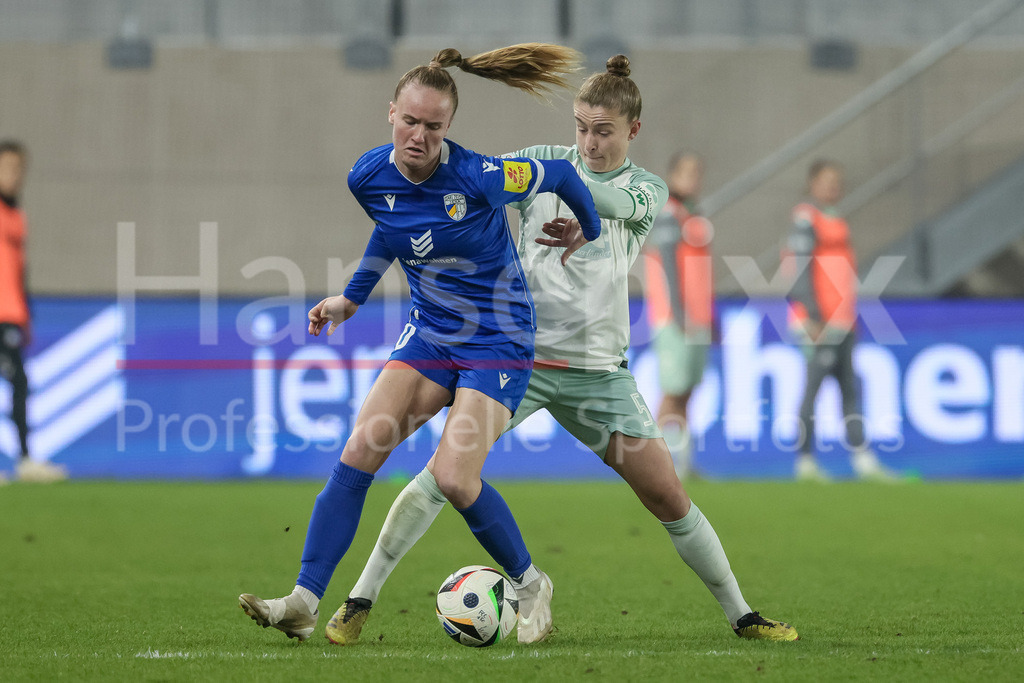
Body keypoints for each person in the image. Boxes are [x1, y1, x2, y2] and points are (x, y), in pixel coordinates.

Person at [324, 56, 798, 646]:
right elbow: (479, 191)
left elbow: (612, 204)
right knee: (441, 478)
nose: (589, 142)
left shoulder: (646, 189)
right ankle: (359, 599)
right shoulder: (545, 165)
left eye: (604, 130)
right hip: (517, 361)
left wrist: (583, 217)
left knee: (668, 496)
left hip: (598, 376)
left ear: (633, 131)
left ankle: (742, 614)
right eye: (581, 127)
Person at [238, 44, 602, 645]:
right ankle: (303, 600)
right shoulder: (366, 175)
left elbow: (561, 174)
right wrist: (351, 299)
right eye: (410, 121)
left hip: (497, 336)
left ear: (448, 127)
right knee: (361, 449)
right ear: (390, 114)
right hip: (432, 329)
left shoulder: (481, 176)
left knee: (456, 479)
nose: (419, 135)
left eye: (433, 126)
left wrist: (585, 231)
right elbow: (393, 227)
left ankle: (532, 583)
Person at [786, 159, 897, 482]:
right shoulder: (807, 218)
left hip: (843, 320)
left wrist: (849, 315)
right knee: (814, 389)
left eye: (838, 180)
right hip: (819, 322)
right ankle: (805, 462)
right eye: (827, 180)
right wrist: (814, 316)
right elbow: (801, 273)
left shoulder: (836, 219)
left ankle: (863, 458)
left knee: (851, 389)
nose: (834, 186)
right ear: (812, 183)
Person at [642, 151, 713, 480]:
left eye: (696, 172)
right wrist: (680, 313)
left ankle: (683, 464)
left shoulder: (692, 214)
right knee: (672, 392)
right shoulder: (668, 213)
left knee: (686, 392)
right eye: (685, 172)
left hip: (697, 317)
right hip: (675, 318)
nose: (693, 178)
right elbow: (669, 267)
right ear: (672, 176)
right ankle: (652, 465)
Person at [0, 140, 67, 484]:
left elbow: (18, 270)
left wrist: (26, 312)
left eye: (18, 169)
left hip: (11, 313)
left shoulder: (16, 216)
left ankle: (25, 459)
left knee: (20, 385)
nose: (14, 175)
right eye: (7, 167)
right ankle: (24, 459)